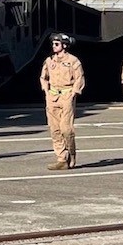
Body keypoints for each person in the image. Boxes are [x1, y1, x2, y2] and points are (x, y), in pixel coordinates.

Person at [40, 33, 85, 170]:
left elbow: (79, 78)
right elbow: (43, 77)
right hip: (52, 97)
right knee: (55, 129)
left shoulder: (73, 61)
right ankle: (61, 159)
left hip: (66, 96)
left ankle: (71, 153)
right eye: (53, 44)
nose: (54, 46)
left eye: (57, 44)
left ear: (64, 45)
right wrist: (46, 91)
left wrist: (74, 93)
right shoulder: (49, 61)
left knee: (66, 129)